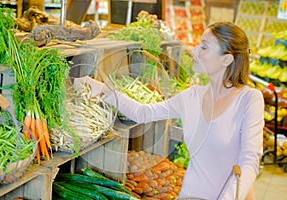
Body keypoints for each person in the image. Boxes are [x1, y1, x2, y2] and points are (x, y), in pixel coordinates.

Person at [75, 22, 264, 199]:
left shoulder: (249, 100)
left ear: (227, 59)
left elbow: (249, 161)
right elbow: (143, 113)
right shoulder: (191, 97)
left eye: (204, 47)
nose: (195, 51)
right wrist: (104, 90)